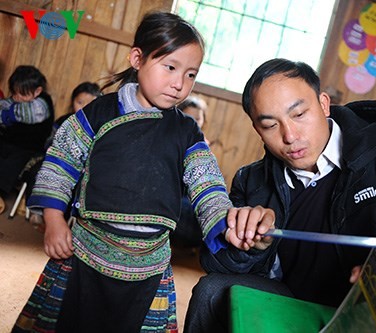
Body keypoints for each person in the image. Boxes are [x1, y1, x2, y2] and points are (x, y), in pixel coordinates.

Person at [13, 11, 273, 333]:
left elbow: (207, 184)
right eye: (170, 67)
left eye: (191, 74)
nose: (180, 84)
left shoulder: (186, 131)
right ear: (137, 58)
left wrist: (227, 223)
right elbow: (60, 163)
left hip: (150, 265)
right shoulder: (99, 113)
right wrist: (53, 220)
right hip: (85, 250)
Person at [184, 58, 376, 332]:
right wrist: (250, 245)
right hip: (290, 299)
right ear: (257, 129)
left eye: (299, 114)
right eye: (270, 125)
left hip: (369, 308)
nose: (290, 136)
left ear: (324, 104)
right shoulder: (252, 181)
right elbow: (216, 262)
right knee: (213, 291)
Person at [28, 81, 102, 230]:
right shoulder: (65, 121)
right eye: (80, 102)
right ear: (72, 101)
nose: (84, 107)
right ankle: (40, 212)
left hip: (88, 168)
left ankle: (66, 222)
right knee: (39, 171)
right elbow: (49, 143)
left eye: (90, 103)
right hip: (58, 160)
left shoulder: (102, 125)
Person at [0, 65, 54, 215]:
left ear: (37, 91)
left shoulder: (43, 102)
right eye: (15, 93)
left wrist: (5, 116)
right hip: (8, 142)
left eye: (22, 94)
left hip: (30, 148)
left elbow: (29, 113)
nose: (17, 97)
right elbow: (4, 105)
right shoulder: (15, 99)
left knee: (13, 161)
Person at [171, 95, 210, 249]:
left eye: (197, 118)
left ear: (203, 121)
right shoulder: (168, 138)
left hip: (189, 195)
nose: (193, 122)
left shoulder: (203, 146)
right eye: (188, 117)